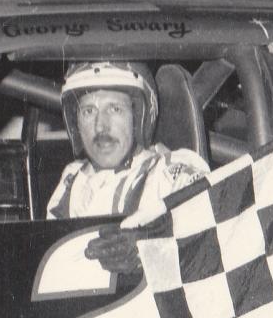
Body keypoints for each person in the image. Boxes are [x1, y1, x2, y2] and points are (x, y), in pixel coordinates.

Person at [47, 61, 208, 220]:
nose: (100, 126)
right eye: (88, 111)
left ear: (138, 118)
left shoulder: (167, 177)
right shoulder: (72, 180)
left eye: (115, 109)